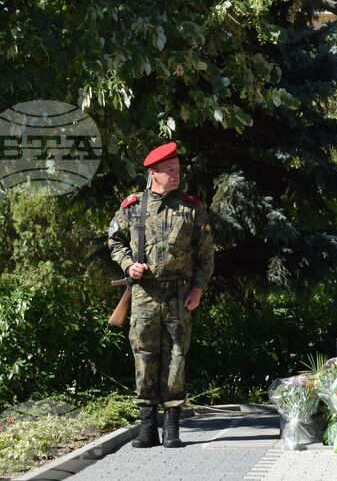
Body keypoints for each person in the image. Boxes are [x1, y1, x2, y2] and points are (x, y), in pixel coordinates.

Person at [108, 142, 214, 448]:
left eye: (178, 170)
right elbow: (114, 240)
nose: (176, 175)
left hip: (179, 295)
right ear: (152, 173)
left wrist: (198, 288)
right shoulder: (133, 207)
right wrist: (129, 265)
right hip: (144, 296)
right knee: (144, 357)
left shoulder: (191, 207)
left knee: (177, 357)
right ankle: (146, 428)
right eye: (169, 171)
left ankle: (172, 430)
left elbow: (206, 252)